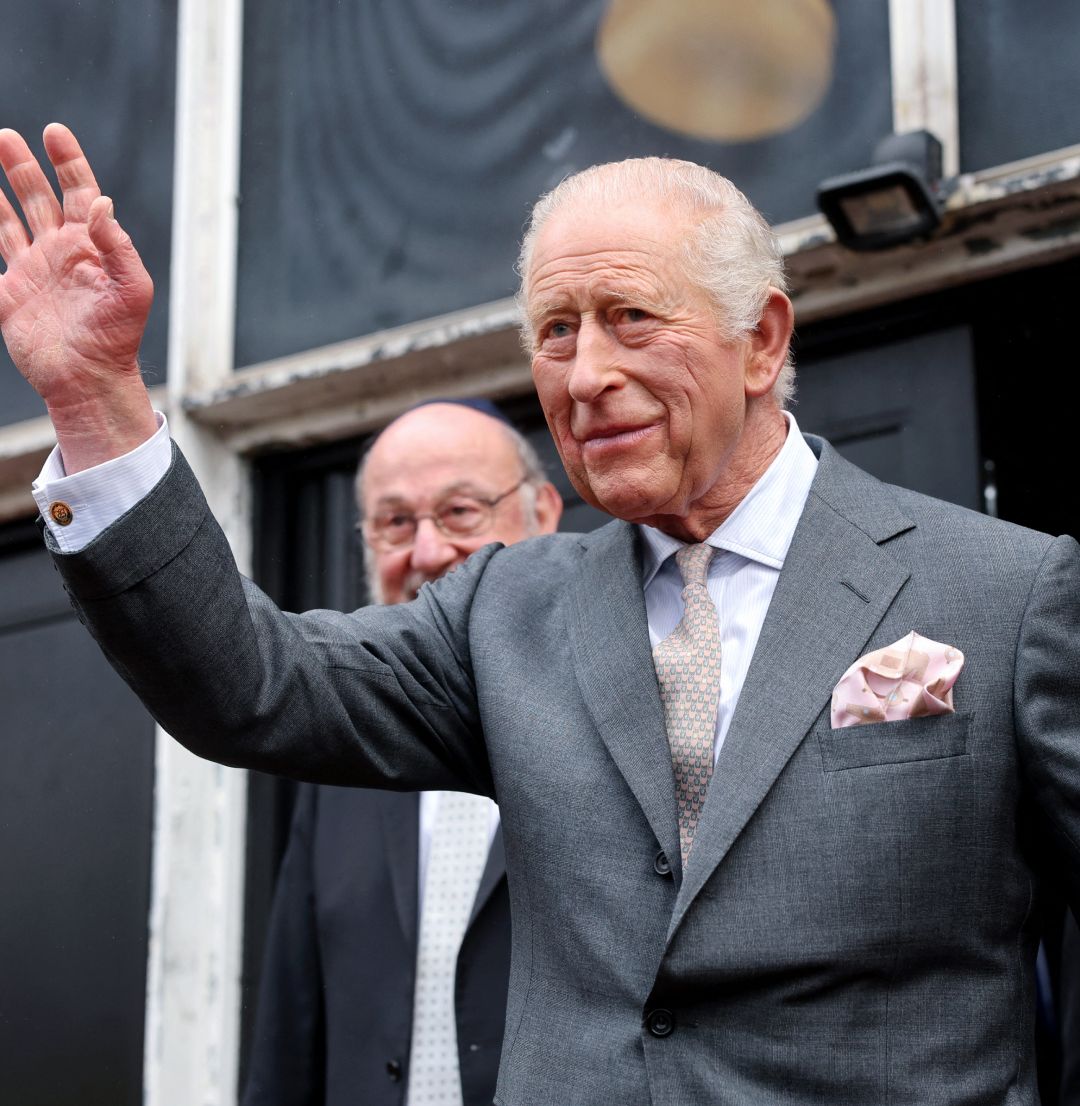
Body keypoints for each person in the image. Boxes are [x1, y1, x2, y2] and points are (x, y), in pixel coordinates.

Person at [2, 123, 1078, 1105]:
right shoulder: (504, 610)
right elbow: (251, 684)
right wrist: (99, 402)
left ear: (761, 342)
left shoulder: (1001, 590)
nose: (587, 372)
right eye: (556, 330)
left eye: (629, 317)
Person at [241, 401, 562, 1106]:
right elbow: (293, 1030)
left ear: (544, 512)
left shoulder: (617, 717)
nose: (426, 553)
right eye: (395, 523)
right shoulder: (338, 764)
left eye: (461, 512)